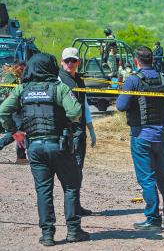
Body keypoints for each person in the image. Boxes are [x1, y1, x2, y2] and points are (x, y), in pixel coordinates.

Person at [0, 53, 90, 246]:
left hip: (35, 147)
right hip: (60, 145)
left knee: (43, 190)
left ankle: (48, 234)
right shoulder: (59, 88)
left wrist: (14, 131)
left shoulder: (22, 89)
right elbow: (75, 112)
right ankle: (73, 230)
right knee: (71, 186)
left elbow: (3, 111)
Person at [116, 46, 164, 230]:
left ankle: (152, 219)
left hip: (141, 136)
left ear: (137, 61)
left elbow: (121, 105)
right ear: (152, 60)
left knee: (147, 179)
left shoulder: (133, 80)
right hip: (162, 135)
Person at [58, 47, 96, 216]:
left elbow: (85, 105)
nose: (70, 64)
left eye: (73, 60)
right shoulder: (58, 80)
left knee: (78, 168)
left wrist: (91, 129)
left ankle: (76, 205)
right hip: (65, 131)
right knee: (68, 170)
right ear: (62, 61)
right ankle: (71, 207)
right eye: (67, 61)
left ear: (78, 62)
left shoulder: (79, 80)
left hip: (79, 131)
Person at [0, 62, 28, 163]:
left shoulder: (12, 76)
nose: (22, 71)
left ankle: (21, 157)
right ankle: (21, 157)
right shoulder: (11, 77)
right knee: (17, 131)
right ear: (16, 67)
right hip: (13, 107)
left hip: (14, 107)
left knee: (19, 130)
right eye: (21, 69)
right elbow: (7, 92)